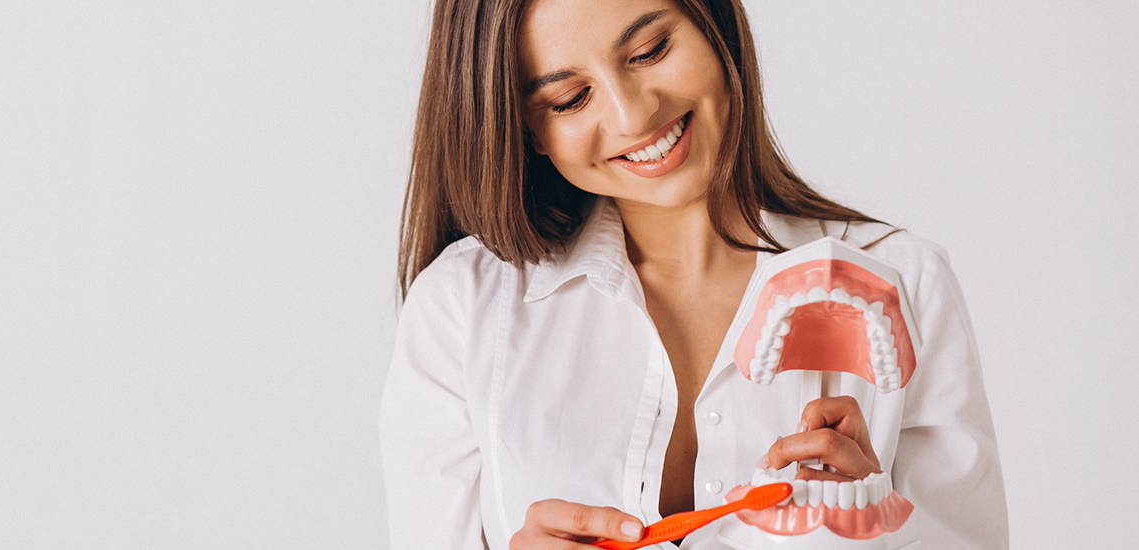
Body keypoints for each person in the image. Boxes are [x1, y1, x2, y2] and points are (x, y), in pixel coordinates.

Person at [378, 0, 1008, 548]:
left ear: (713, 25)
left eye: (649, 51)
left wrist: (872, 534)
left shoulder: (904, 284)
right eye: (570, 98)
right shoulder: (460, 311)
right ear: (528, 128)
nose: (631, 116)